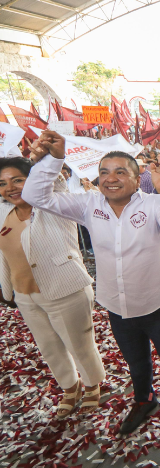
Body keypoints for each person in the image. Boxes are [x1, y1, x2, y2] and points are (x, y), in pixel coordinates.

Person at [24, 131, 160, 434]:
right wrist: (55, 158)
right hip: (116, 304)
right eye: (104, 172)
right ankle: (144, 400)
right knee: (136, 361)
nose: (111, 178)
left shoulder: (153, 204)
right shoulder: (88, 204)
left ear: (137, 179)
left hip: (156, 303)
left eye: (120, 172)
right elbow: (35, 197)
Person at [0, 156, 104, 418]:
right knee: (48, 347)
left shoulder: (54, 205)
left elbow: (56, 182)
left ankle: (92, 385)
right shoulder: (3, 213)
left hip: (65, 290)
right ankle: (70, 387)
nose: (10, 188)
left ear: (34, 179)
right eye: (2, 183)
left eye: (17, 180)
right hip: (25, 295)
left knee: (79, 344)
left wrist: (47, 159)